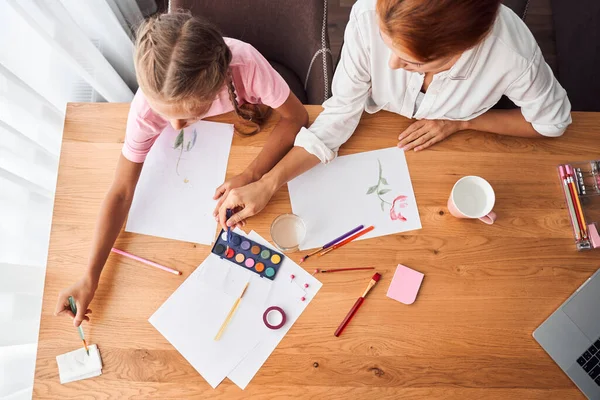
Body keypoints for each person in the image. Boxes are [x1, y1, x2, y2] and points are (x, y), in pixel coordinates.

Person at [215, 0, 571, 229]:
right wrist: (266, 183)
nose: (391, 65)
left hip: (447, 165)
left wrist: (462, 121)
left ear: (462, 50)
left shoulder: (512, 55)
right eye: (388, 45)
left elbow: (552, 123)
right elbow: (340, 112)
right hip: (380, 134)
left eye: (413, 61)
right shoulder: (369, 14)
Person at [54, 12, 308, 327]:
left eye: (187, 118)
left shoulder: (247, 67)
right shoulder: (145, 108)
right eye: (166, 116)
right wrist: (89, 276)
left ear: (215, 90)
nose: (175, 128)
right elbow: (120, 191)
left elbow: (296, 117)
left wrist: (252, 174)